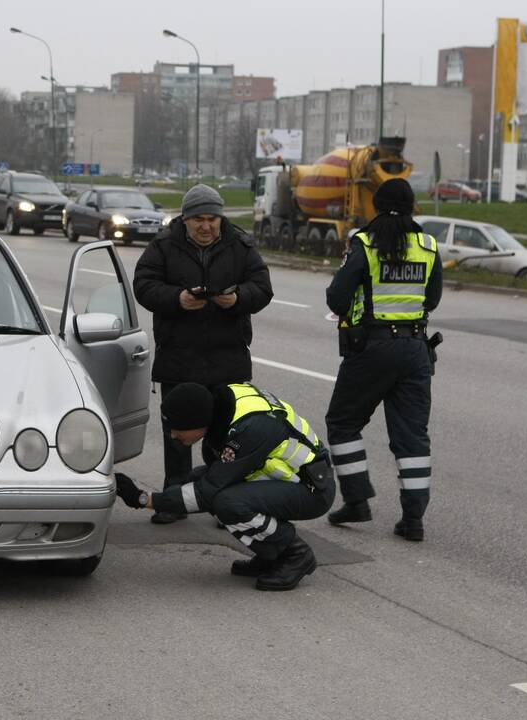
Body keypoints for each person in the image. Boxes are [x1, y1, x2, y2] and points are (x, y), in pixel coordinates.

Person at [133, 184, 273, 524]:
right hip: (180, 357)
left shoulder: (240, 245)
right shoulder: (164, 245)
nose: (207, 226)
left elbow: (263, 288)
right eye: (199, 220)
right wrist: (177, 299)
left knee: (228, 436)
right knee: (178, 435)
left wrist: (238, 298)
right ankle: (174, 498)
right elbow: (144, 285)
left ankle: (224, 501)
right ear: (186, 219)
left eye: (212, 219)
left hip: (228, 358)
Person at [114, 382, 335, 591]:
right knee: (197, 481)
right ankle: (271, 554)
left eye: (177, 428)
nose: (173, 435)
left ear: (197, 422)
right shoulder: (225, 408)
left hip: (313, 490)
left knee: (226, 502)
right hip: (289, 480)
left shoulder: (250, 428)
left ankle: (295, 554)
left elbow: (206, 493)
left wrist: (145, 499)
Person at [323, 178, 442, 541]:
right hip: (415, 350)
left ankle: (357, 500)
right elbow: (431, 300)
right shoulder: (428, 245)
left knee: (342, 422)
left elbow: (337, 298)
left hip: (372, 350)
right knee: (412, 438)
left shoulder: (364, 243)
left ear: (376, 206)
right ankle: (413, 520)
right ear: (411, 208)